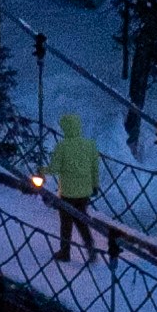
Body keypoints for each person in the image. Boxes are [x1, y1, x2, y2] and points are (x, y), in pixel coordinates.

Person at [45, 106, 102, 258]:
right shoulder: (89, 145)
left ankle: (65, 252)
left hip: (68, 192)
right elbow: (94, 168)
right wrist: (95, 185)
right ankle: (91, 249)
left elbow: (54, 168)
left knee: (66, 224)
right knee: (82, 221)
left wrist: (42, 170)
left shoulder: (62, 146)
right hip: (84, 192)